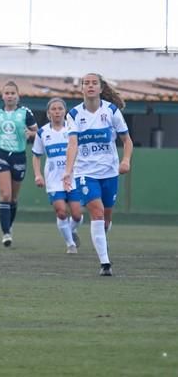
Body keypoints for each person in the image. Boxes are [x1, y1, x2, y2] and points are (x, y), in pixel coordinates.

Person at [63, 73, 133, 276]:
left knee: (106, 220)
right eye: (87, 83)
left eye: (94, 83)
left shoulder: (111, 111)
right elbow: (73, 144)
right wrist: (68, 171)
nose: (90, 86)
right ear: (82, 88)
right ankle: (105, 263)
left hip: (110, 172)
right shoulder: (74, 114)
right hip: (85, 173)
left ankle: (101, 240)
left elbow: (127, 141)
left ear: (101, 88)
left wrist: (126, 160)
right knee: (97, 213)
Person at [0, 81, 38, 247]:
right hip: (1, 154)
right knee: (5, 194)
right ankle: (6, 233)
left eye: (13, 93)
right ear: (2, 96)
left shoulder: (25, 112)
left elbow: (38, 131)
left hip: (19, 156)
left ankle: (9, 225)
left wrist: (31, 133)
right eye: (7, 93)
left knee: (13, 197)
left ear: (18, 96)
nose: (10, 96)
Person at [32, 97, 84, 254]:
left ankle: (71, 231)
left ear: (65, 112)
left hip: (73, 177)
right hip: (54, 179)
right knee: (61, 211)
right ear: (48, 113)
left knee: (76, 215)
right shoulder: (42, 132)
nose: (57, 112)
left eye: (60, 109)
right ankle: (70, 244)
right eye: (53, 109)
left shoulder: (72, 130)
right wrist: (38, 175)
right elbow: (36, 155)